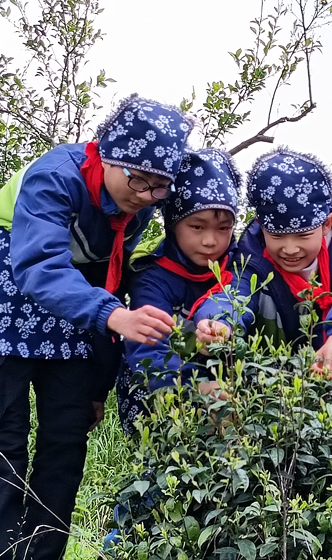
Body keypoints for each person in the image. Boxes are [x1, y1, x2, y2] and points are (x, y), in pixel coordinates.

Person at [0, 94, 193, 560]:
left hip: (77, 304)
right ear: (107, 153)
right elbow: (39, 265)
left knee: (66, 433)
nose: (144, 195)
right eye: (137, 179)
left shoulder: (138, 208)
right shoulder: (55, 176)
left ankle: (42, 555)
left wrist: (98, 386)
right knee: (0, 435)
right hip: (5, 287)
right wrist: (114, 317)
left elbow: (112, 277)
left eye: (158, 187)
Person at [194, 147, 332, 376]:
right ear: (261, 226)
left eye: (303, 236)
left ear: (327, 224)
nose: (290, 249)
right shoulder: (250, 257)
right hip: (264, 385)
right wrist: (220, 322)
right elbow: (235, 291)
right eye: (276, 236)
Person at [116, 147, 242, 435]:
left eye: (223, 228)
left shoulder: (241, 264)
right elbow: (148, 345)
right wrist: (193, 389)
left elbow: (237, 301)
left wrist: (220, 324)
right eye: (197, 226)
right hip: (158, 382)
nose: (210, 241)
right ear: (173, 224)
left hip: (224, 384)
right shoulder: (152, 274)